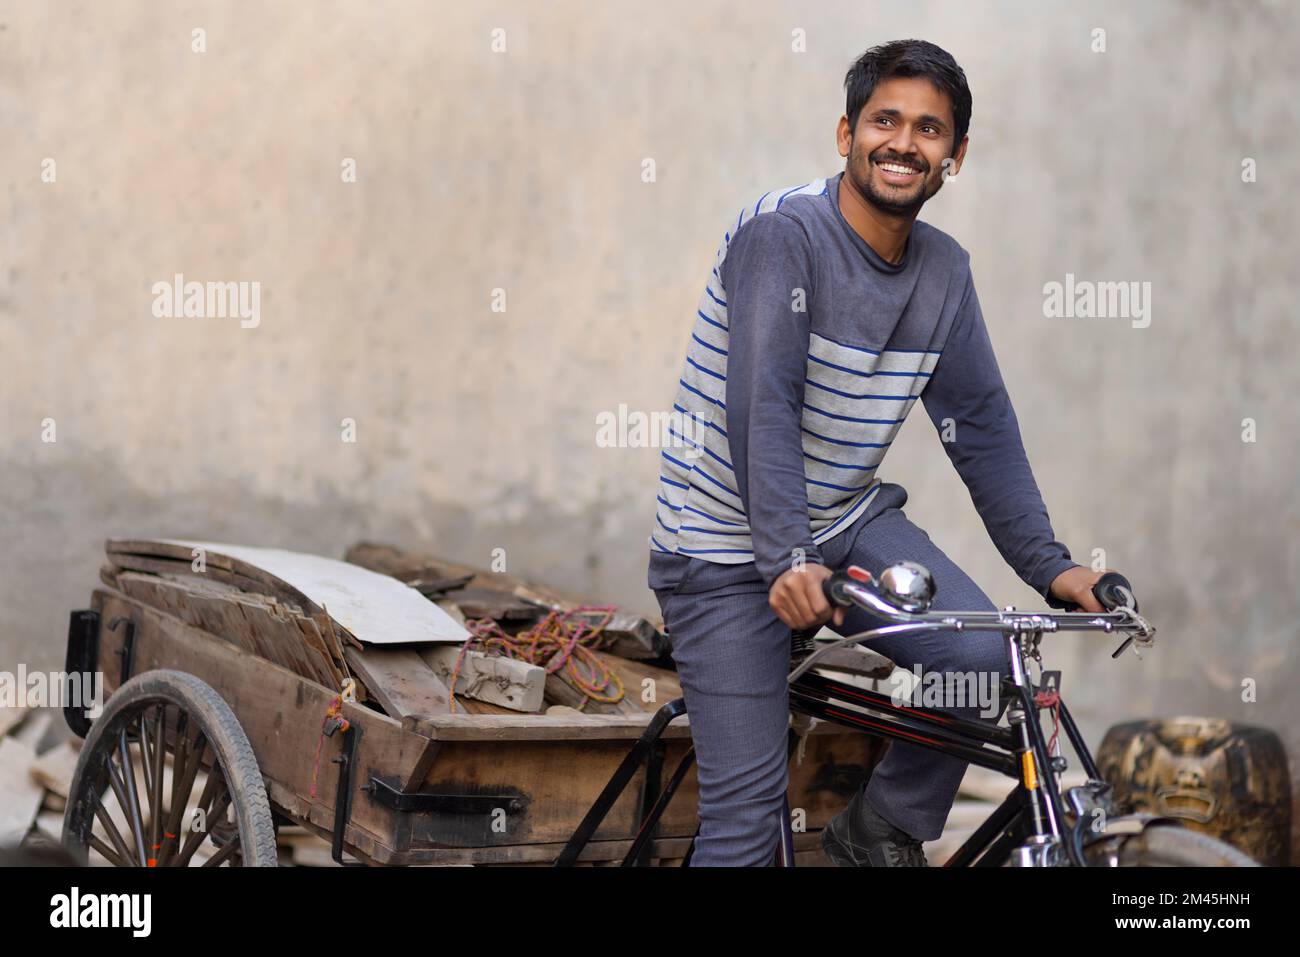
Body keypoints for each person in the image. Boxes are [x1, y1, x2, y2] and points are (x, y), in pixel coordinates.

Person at [645, 39, 1111, 867]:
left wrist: (1052, 565)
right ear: (845, 133)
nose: (904, 142)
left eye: (929, 129)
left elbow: (982, 427)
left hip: (846, 525)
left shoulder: (944, 274)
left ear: (955, 156)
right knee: (749, 829)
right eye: (884, 120)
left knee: (982, 662)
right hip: (722, 547)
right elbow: (764, 407)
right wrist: (785, 557)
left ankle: (880, 826)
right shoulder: (782, 238)